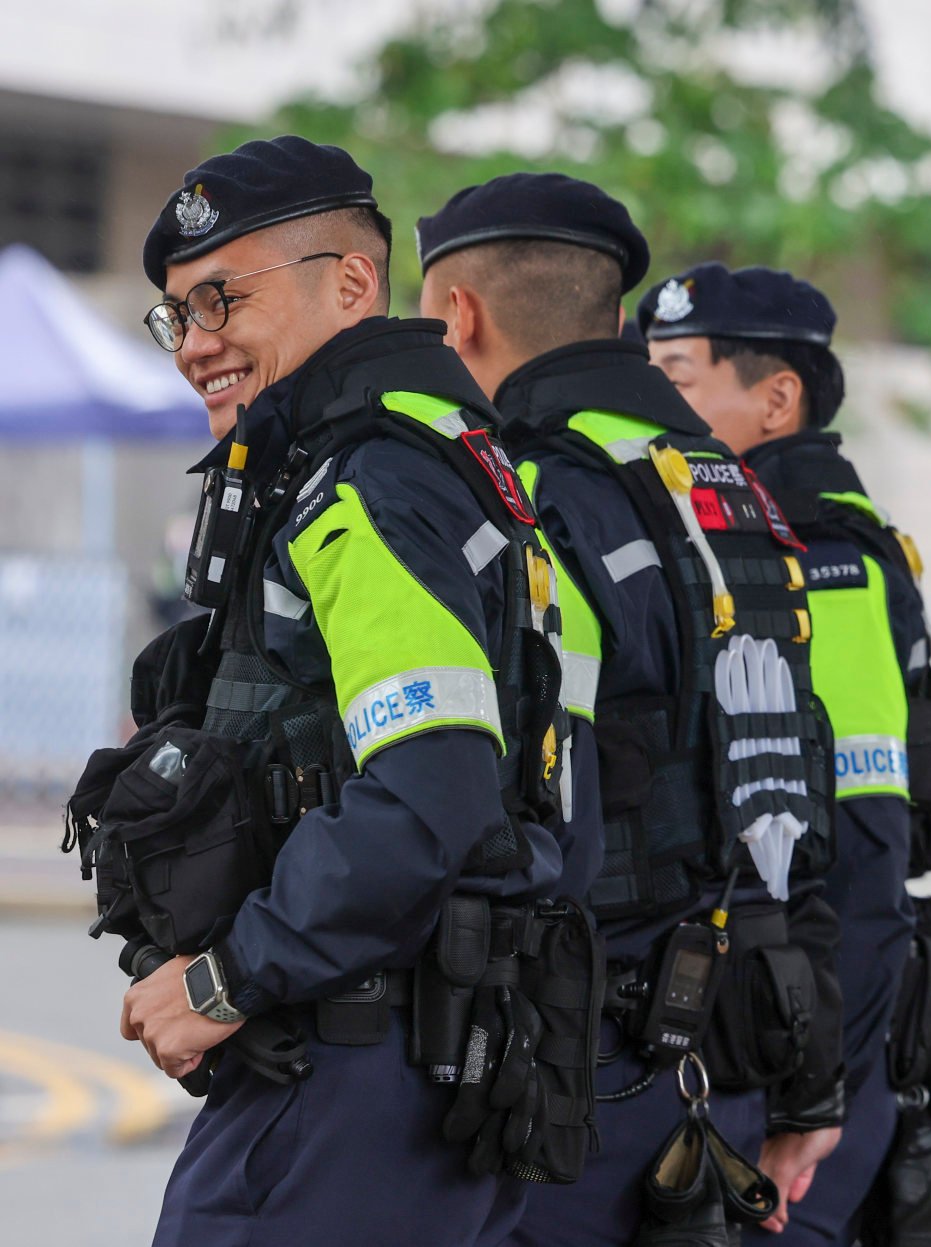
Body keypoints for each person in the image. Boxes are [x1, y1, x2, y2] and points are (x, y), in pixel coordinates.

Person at [84, 137, 584, 1246]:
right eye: (177, 316)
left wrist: (221, 980)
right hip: (418, 1061)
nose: (197, 344)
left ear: (352, 282)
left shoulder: (365, 478)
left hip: (352, 1074)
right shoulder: (440, 454)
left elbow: (430, 792)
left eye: (221, 300)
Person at [415, 174, 851, 1244]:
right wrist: (814, 1081)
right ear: (614, 319)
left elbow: (507, 792)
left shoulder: (525, 487)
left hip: (575, 1066)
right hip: (732, 1036)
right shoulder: (732, 485)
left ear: (458, 315)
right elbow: (799, 769)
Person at [639, 264, 931, 1245]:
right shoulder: (751, 532)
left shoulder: (818, 555)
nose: (651, 404)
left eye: (677, 377)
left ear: (775, 398)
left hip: (830, 1016)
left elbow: (862, 839)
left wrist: (814, 1091)